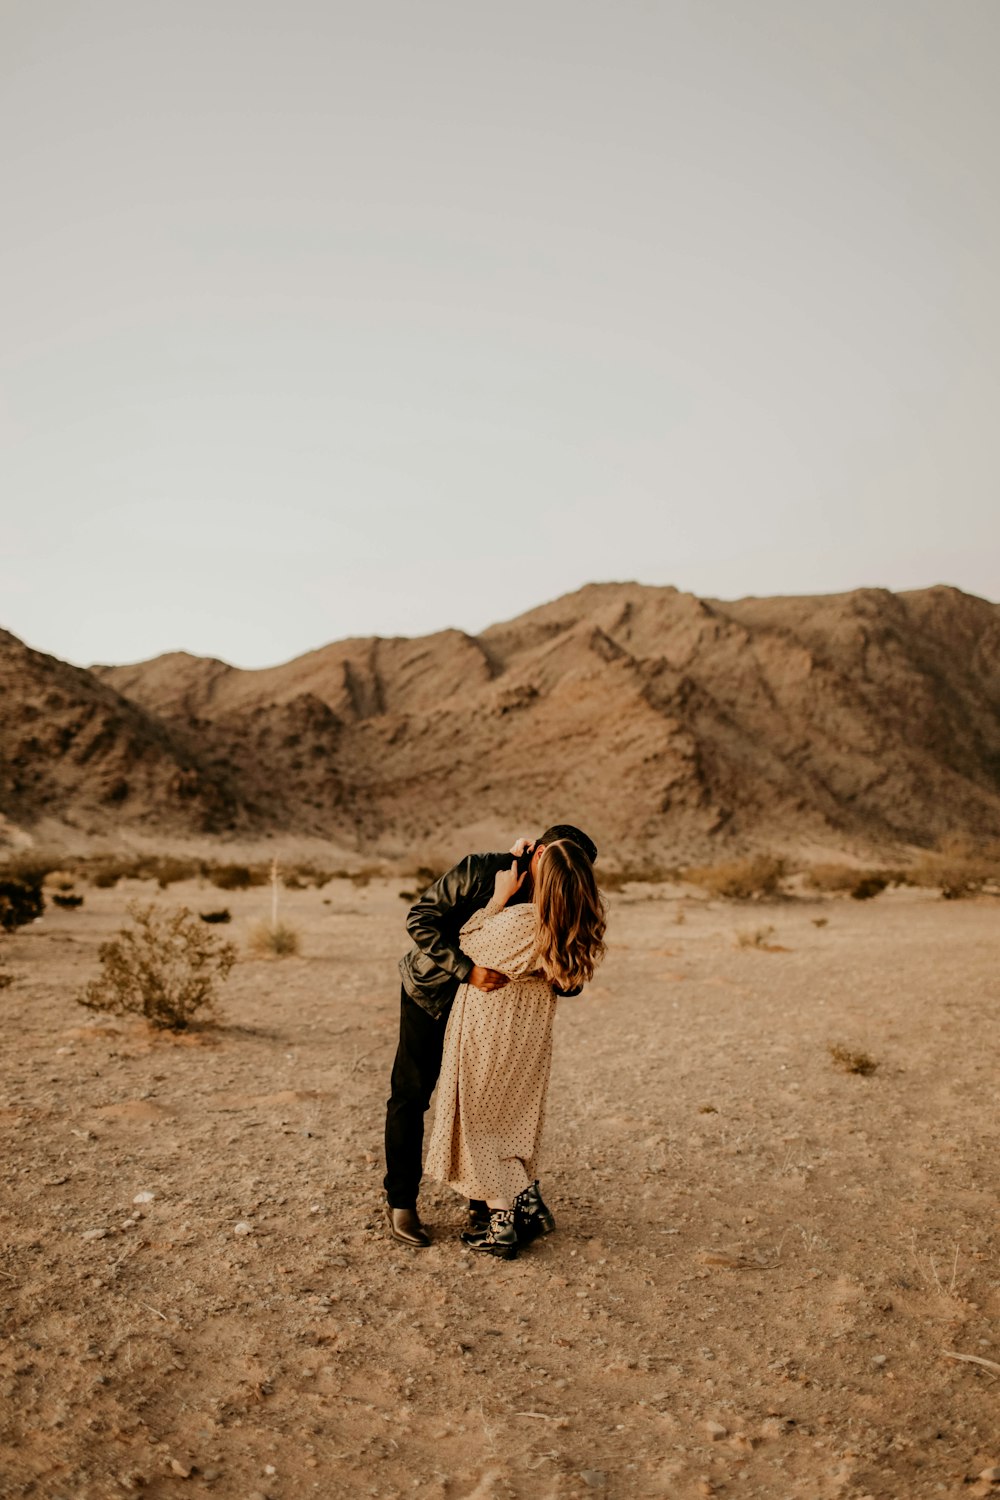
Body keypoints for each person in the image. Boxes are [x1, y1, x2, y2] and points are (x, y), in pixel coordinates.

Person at [383, 824, 599, 1249]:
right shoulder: (485, 870)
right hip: (434, 994)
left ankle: (486, 1206)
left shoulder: (563, 892)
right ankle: (401, 1202)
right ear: (538, 853)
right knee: (412, 1094)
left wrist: (554, 974)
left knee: (487, 1103)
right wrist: (467, 971)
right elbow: (421, 918)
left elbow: (570, 979)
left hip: (494, 1020)